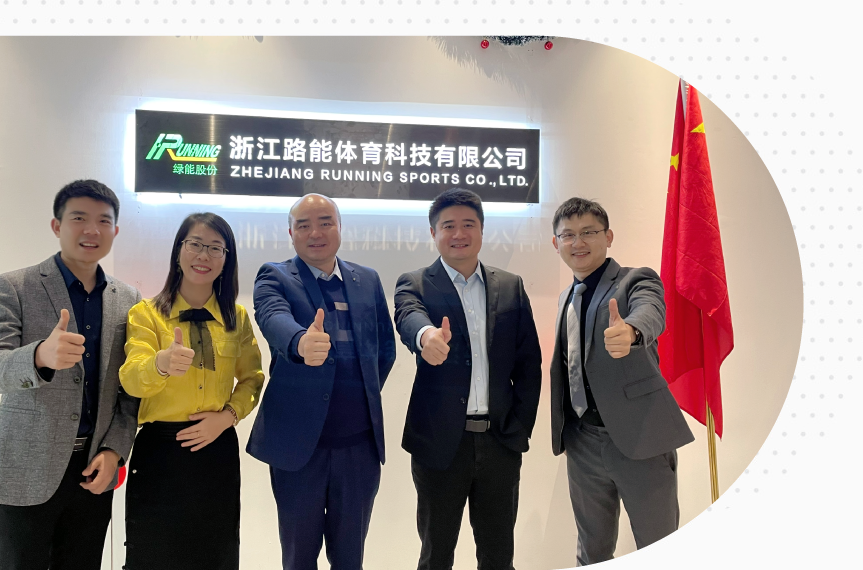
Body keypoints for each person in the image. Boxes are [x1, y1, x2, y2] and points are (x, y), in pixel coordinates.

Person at [0, 179, 141, 570]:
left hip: (93, 468)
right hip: (24, 467)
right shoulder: (13, 287)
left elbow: (128, 390)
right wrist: (38, 357)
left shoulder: (128, 299)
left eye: (103, 220)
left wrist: (115, 451)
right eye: (79, 218)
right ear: (56, 226)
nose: (91, 230)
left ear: (115, 231)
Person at [394, 188, 542, 570]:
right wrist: (425, 337)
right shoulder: (415, 282)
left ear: (481, 230)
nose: (458, 233)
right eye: (448, 226)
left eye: (468, 225)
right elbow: (409, 316)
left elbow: (529, 365)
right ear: (433, 232)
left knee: (497, 556)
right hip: (440, 445)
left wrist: (518, 429)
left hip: (499, 443)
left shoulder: (511, 285)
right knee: (436, 554)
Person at [247, 193, 396, 570]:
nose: (316, 232)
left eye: (325, 221)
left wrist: (360, 396)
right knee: (299, 557)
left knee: (350, 558)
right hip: (299, 449)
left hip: (359, 449)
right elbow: (272, 317)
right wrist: (299, 342)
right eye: (304, 225)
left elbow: (385, 351)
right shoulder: (275, 276)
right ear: (291, 233)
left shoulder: (367, 279)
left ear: (340, 226)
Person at [548, 197, 694, 565]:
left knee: (657, 544)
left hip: (639, 438)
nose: (577, 243)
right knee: (592, 552)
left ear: (608, 236)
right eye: (568, 235)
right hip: (582, 442)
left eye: (588, 233)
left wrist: (630, 330)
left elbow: (652, 311)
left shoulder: (635, 279)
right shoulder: (567, 295)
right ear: (556, 243)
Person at [119, 212, 265, 570]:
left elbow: (253, 379)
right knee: (154, 553)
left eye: (216, 248)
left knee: (215, 553)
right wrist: (162, 364)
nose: (204, 256)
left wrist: (227, 417)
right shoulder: (146, 315)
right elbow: (131, 378)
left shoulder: (237, 318)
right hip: (160, 452)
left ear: (226, 260)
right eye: (196, 245)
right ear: (178, 251)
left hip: (216, 450)